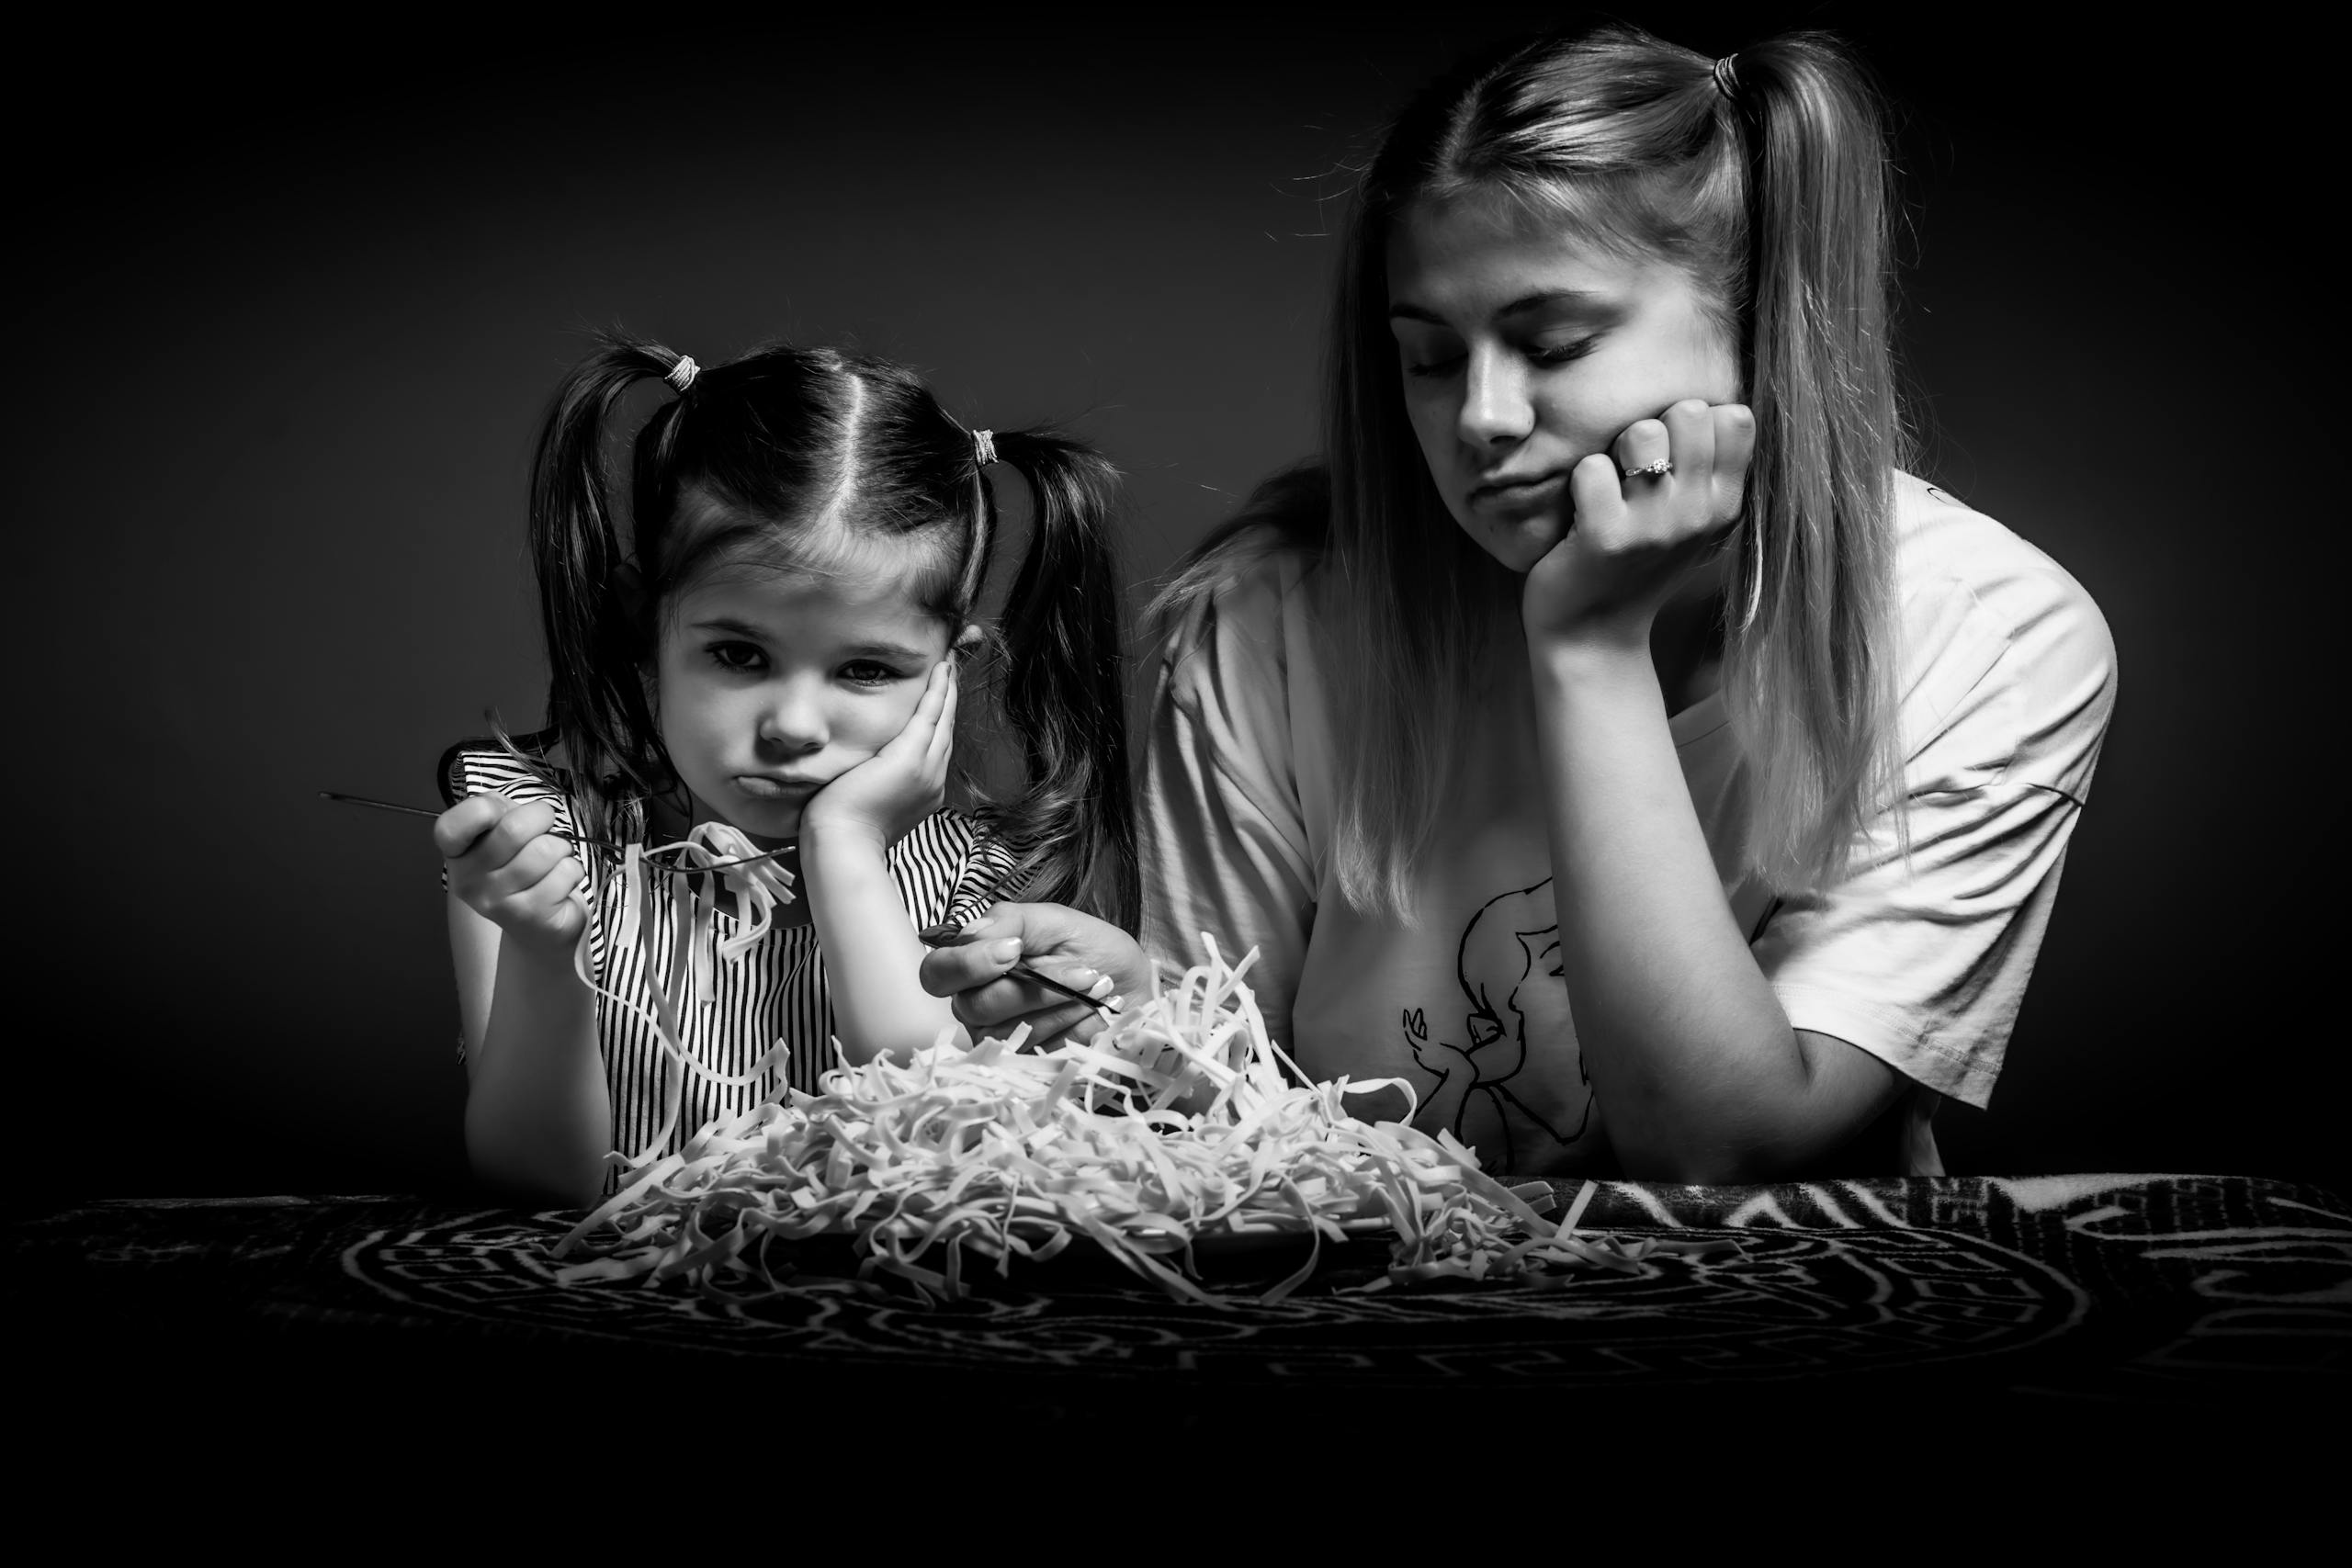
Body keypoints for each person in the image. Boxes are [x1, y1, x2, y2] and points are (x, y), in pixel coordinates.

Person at [922, 24, 2116, 1182]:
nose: (1481, 418)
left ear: (1761, 335)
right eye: (1431, 356)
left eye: (1552, 340)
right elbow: (1228, 1124)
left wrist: (1591, 645)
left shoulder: (1994, 633)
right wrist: (1138, 1020)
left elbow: (1718, 1156)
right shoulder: (1269, 622)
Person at [435, 334, 1136, 1204]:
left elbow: (942, 1148)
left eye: (867, 670)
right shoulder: (538, 839)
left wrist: (845, 845)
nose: (796, 727)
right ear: (639, 623)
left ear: (947, 670)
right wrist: (546, 951)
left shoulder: (978, 877)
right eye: (738, 653)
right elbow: (538, 1185)